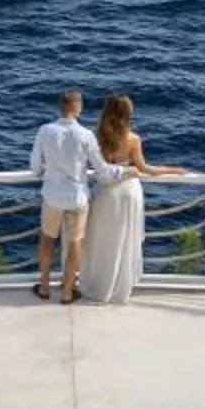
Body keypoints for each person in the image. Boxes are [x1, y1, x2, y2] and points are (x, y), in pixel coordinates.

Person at [77, 93, 192, 306]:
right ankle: (119, 287)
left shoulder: (96, 136)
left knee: (102, 240)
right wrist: (173, 169)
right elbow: (145, 169)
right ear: (127, 114)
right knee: (124, 239)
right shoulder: (132, 139)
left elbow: (95, 168)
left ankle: (99, 285)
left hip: (104, 194)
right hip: (128, 193)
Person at [29, 88, 123, 306]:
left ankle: (43, 286)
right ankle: (67, 292)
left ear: (60, 108)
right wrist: (123, 171)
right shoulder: (85, 135)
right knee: (74, 244)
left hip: (52, 195)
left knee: (47, 240)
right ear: (77, 108)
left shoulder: (45, 131)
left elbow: (35, 167)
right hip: (77, 197)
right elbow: (101, 169)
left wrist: (47, 171)